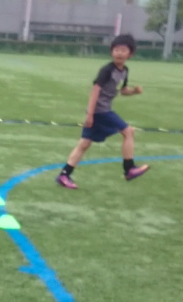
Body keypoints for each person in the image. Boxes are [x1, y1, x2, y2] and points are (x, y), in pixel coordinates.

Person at [56, 34, 149, 189]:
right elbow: (95, 90)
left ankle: (64, 175)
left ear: (130, 54)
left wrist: (134, 91)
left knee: (84, 143)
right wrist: (90, 114)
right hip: (101, 111)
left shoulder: (124, 71)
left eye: (123, 50)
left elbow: (123, 91)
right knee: (128, 132)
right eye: (116, 50)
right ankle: (129, 168)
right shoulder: (107, 70)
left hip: (101, 111)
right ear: (111, 51)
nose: (119, 53)